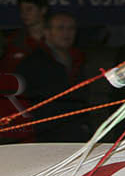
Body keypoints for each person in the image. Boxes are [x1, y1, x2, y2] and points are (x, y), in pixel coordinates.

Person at [16, 10, 92, 144]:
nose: (66, 33)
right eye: (60, 28)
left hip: (78, 131)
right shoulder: (32, 62)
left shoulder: (80, 59)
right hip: (47, 134)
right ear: (47, 32)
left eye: (70, 28)